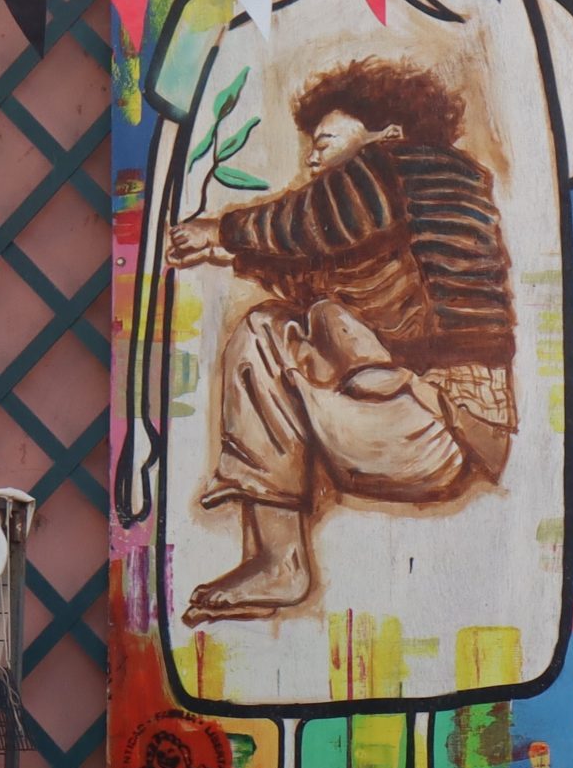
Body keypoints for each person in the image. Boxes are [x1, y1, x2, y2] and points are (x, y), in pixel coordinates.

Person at [166, 58, 516, 623]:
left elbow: (312, 218)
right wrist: (227, 252)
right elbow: (311, 262)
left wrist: (222, 229)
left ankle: (281, 555)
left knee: (291, 326)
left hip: (439, 419)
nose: (311, 158)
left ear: (388, 133)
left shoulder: (413, 166)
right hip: (419, 428)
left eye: (324, 141)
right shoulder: (394, 220)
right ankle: (281, 563)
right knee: (284, 323)